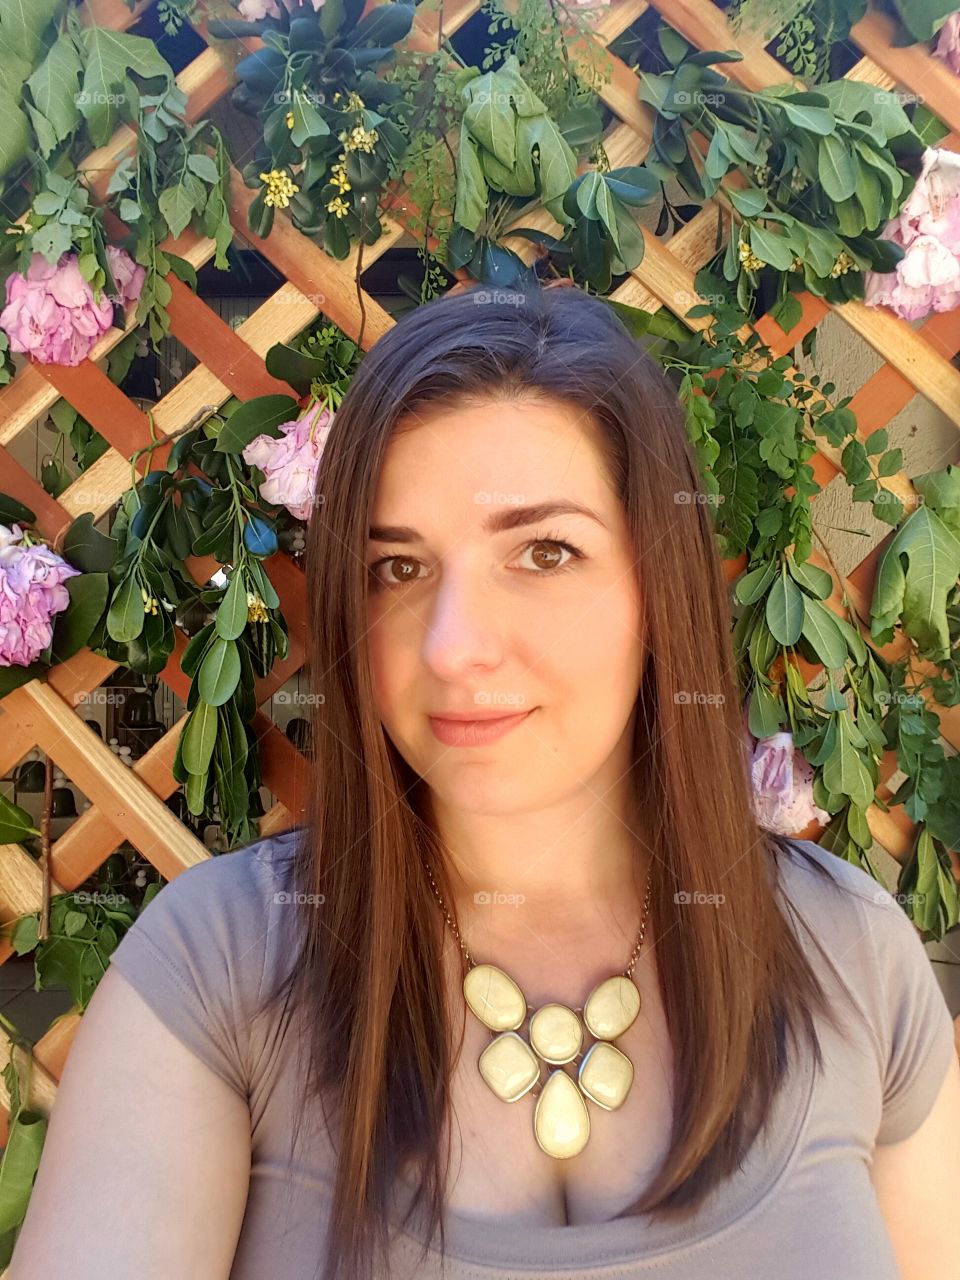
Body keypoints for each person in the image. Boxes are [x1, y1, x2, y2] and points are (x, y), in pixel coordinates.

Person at [10, 284, 960, 1280]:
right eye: (399, 569)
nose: (455, 646)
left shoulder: (852, 956)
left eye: (543, 551)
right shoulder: (219, 966)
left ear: (657, 584)